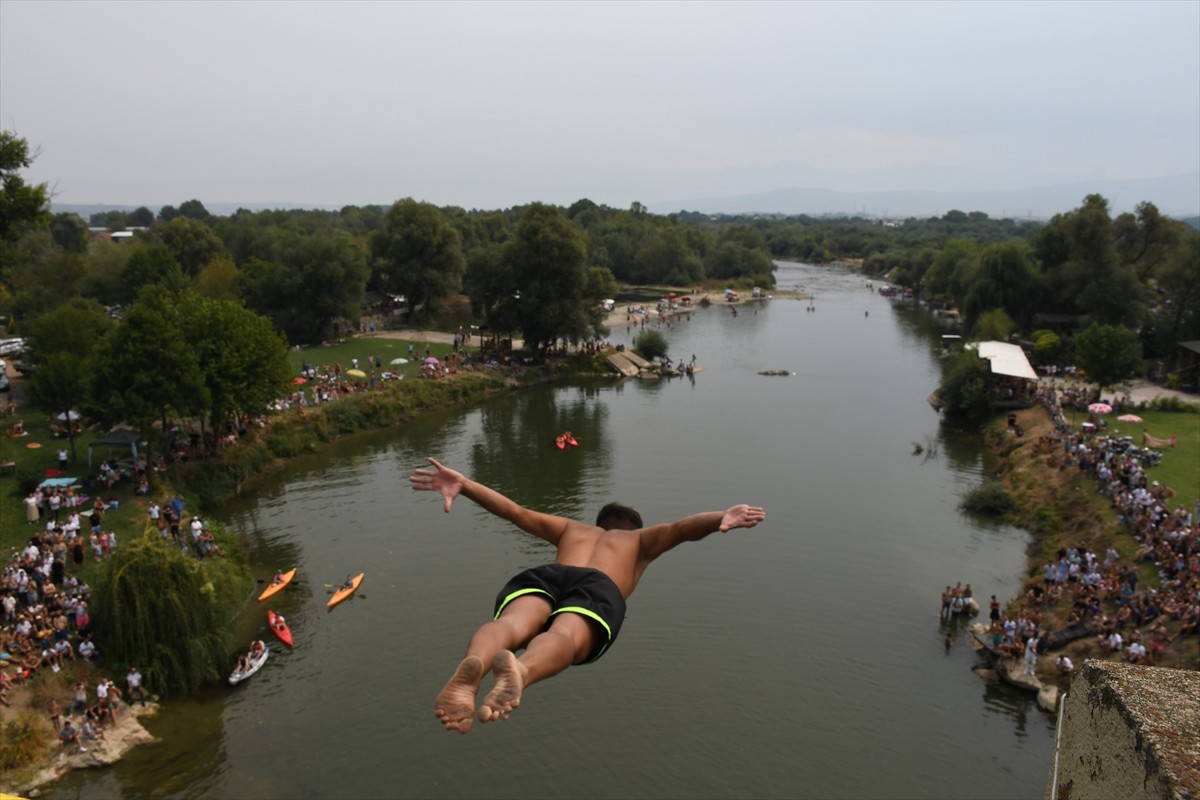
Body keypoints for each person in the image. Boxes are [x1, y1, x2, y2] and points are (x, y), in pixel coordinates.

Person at [409, 456, 766, 734]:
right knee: (563, 636)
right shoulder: (638, 541)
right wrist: (721, 516)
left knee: (510, 624)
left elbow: (514, 512)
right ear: (631, 529)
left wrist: (465, 484)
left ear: (599, 525)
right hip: (598, 587)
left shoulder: (572, 530)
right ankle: (521, 670)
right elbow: (680, 529)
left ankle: (474, 664)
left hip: (550, 575)